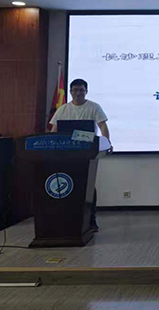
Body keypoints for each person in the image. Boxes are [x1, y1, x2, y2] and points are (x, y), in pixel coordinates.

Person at [49, 78, 111, 231]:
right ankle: (69, 219)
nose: (78, 93)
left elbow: (103, 126)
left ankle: (91, 220)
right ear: (70, 92)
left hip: (87, 153)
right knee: (70, 184)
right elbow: (54, 131)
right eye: (75, 90)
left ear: (86, 91)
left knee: (88, 186)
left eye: (81, 90)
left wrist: (107, 142)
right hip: (67, 154)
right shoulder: (63, 109)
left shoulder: (94, 107)